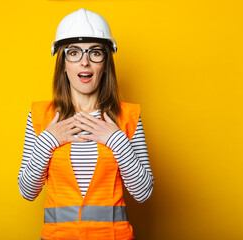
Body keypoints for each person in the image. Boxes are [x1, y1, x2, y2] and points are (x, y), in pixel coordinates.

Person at [18, 8, 154, 240]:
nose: (85, 62)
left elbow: (143, 193)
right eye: (74, 53)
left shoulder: (127, 116)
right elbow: (28, 192)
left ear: (105, 63)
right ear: (63, 63)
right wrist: (49, 140)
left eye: (95, 53)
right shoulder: (42, 116)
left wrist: (116, 140)